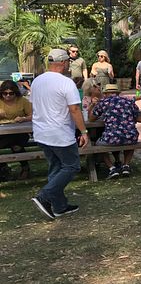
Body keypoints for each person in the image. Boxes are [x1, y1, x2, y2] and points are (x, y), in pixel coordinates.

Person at [30, 49, 89, 219]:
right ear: (63, 63)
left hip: (41, 133)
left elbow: (35, 104)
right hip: (60, 133)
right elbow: (75, 109)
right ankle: (44, 196)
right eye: (68, 62)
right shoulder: (66, 83)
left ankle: (60, 206)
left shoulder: (37, 81)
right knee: (71, 166)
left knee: (56, 166)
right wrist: (84, 132)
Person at [90, 84, 141, 179]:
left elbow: (91, 119)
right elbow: (140, 119)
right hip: (130, 137)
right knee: (129, 136)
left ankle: (112, 168)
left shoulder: (103, 102)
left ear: (106, 93)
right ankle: (126, 165)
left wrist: (93, 105)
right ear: (118, 93)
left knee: (97, 144)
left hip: (111, 138)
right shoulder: (129, 101)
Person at [0, 80, 32, 180]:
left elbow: (33, 116)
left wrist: (23, 119)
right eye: (5, 93)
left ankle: (24, 168)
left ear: (15, 92)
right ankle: (4, 167)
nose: (8, 96)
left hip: (20, 132)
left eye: (11, 93)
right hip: (3, 132)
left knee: (16, 145)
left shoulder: (22, 101)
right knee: (15, 145)